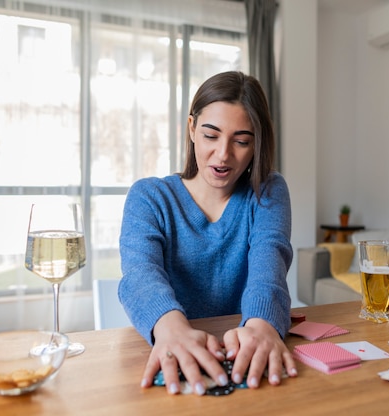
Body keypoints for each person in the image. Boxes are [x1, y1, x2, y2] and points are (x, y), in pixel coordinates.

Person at [118, 71, 297, 395]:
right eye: (211, 135)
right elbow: (140, 273)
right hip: (170, 348)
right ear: (191, 129)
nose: (223, 154)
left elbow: (269, 263)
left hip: (240, 358)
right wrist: (171, 327)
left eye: (241, 141)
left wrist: (262, 325)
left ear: (257, 143)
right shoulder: (149, 197)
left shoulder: (268, 192)